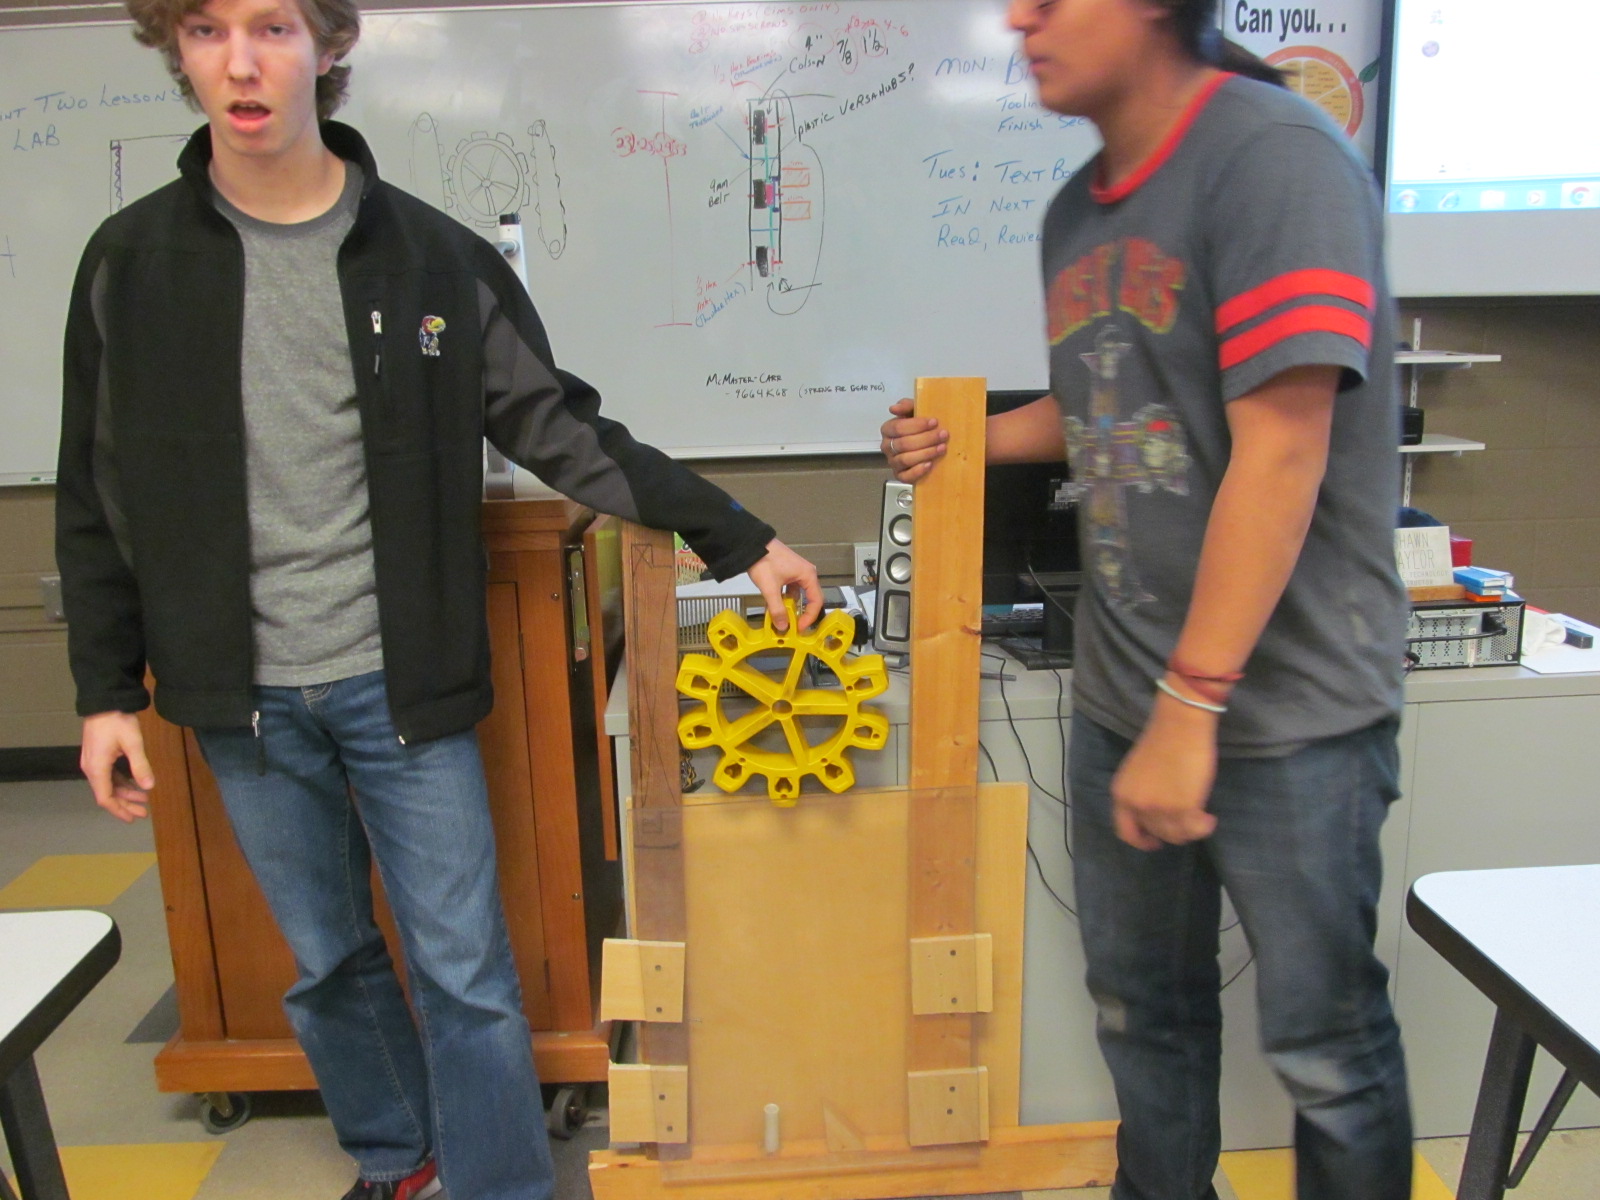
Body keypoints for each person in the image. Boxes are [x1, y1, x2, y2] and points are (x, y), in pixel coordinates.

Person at [55, 0, 820, 1196]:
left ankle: (500, 1185)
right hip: (238, 695)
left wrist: (737, 534)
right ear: (176, 50)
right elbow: (97, 488)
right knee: (325, 960)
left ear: (327, 46)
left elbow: (560, 428)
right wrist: (106, 692)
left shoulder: (429, 257)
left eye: (272, 27)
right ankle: (396, 1159)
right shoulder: (131, 262)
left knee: (465, 970)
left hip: (399, 681)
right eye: (206, 30)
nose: (241, 63)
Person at [882, 2, 1411, 1197]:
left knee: (1325, 1052)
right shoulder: (1076, 215)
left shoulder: (1274, 159)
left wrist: (1191, 707)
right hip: (1128, 699)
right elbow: (1116, 406)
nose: (1020, 15)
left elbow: (1282, 448)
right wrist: (963, 440)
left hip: (1286, 714)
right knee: (1142, 1016)